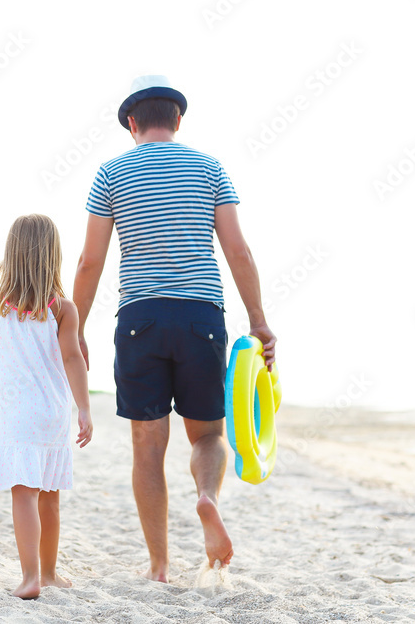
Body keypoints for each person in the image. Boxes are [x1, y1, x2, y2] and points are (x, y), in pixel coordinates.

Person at [72, 75, 277, 580]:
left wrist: (73, 329)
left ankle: (159, 565)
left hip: (140, 316)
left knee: (148, 444)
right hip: (201, 316)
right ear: (178, 120)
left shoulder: (111, 173)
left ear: (133, 124)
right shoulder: (210, 169)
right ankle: (207, 497)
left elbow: (89, 262)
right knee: (207, 434)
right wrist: (259, 321)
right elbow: (238, 251)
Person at [0, 214, 93, 599]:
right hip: (52, 411)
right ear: (53, 255)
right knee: (51, 494)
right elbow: (74, 358)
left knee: (24, 493)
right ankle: (49, 574)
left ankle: (29, 577)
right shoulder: (63, 308)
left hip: (14, 411)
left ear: (13, 254)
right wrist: (84, 408)